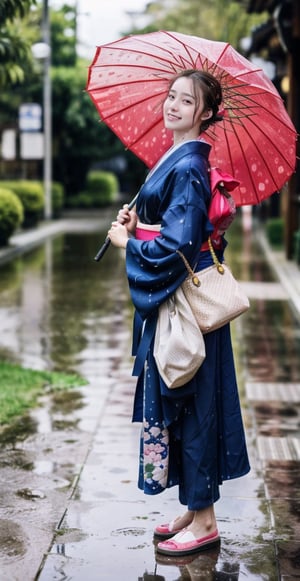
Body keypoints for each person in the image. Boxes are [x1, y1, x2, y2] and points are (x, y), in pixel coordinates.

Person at [107, 69, 250, 557]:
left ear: (206, 113)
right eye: (170, 97)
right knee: (183, 396)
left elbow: (177, 245)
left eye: (186, 101)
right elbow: (170, 228)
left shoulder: (188, 165)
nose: (172, 106)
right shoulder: (177, 160)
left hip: (188, 306)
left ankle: (206, 520)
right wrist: (140, 222)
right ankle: (193, 506)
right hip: (181, 301)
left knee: (194, 400)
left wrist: (131, 242)